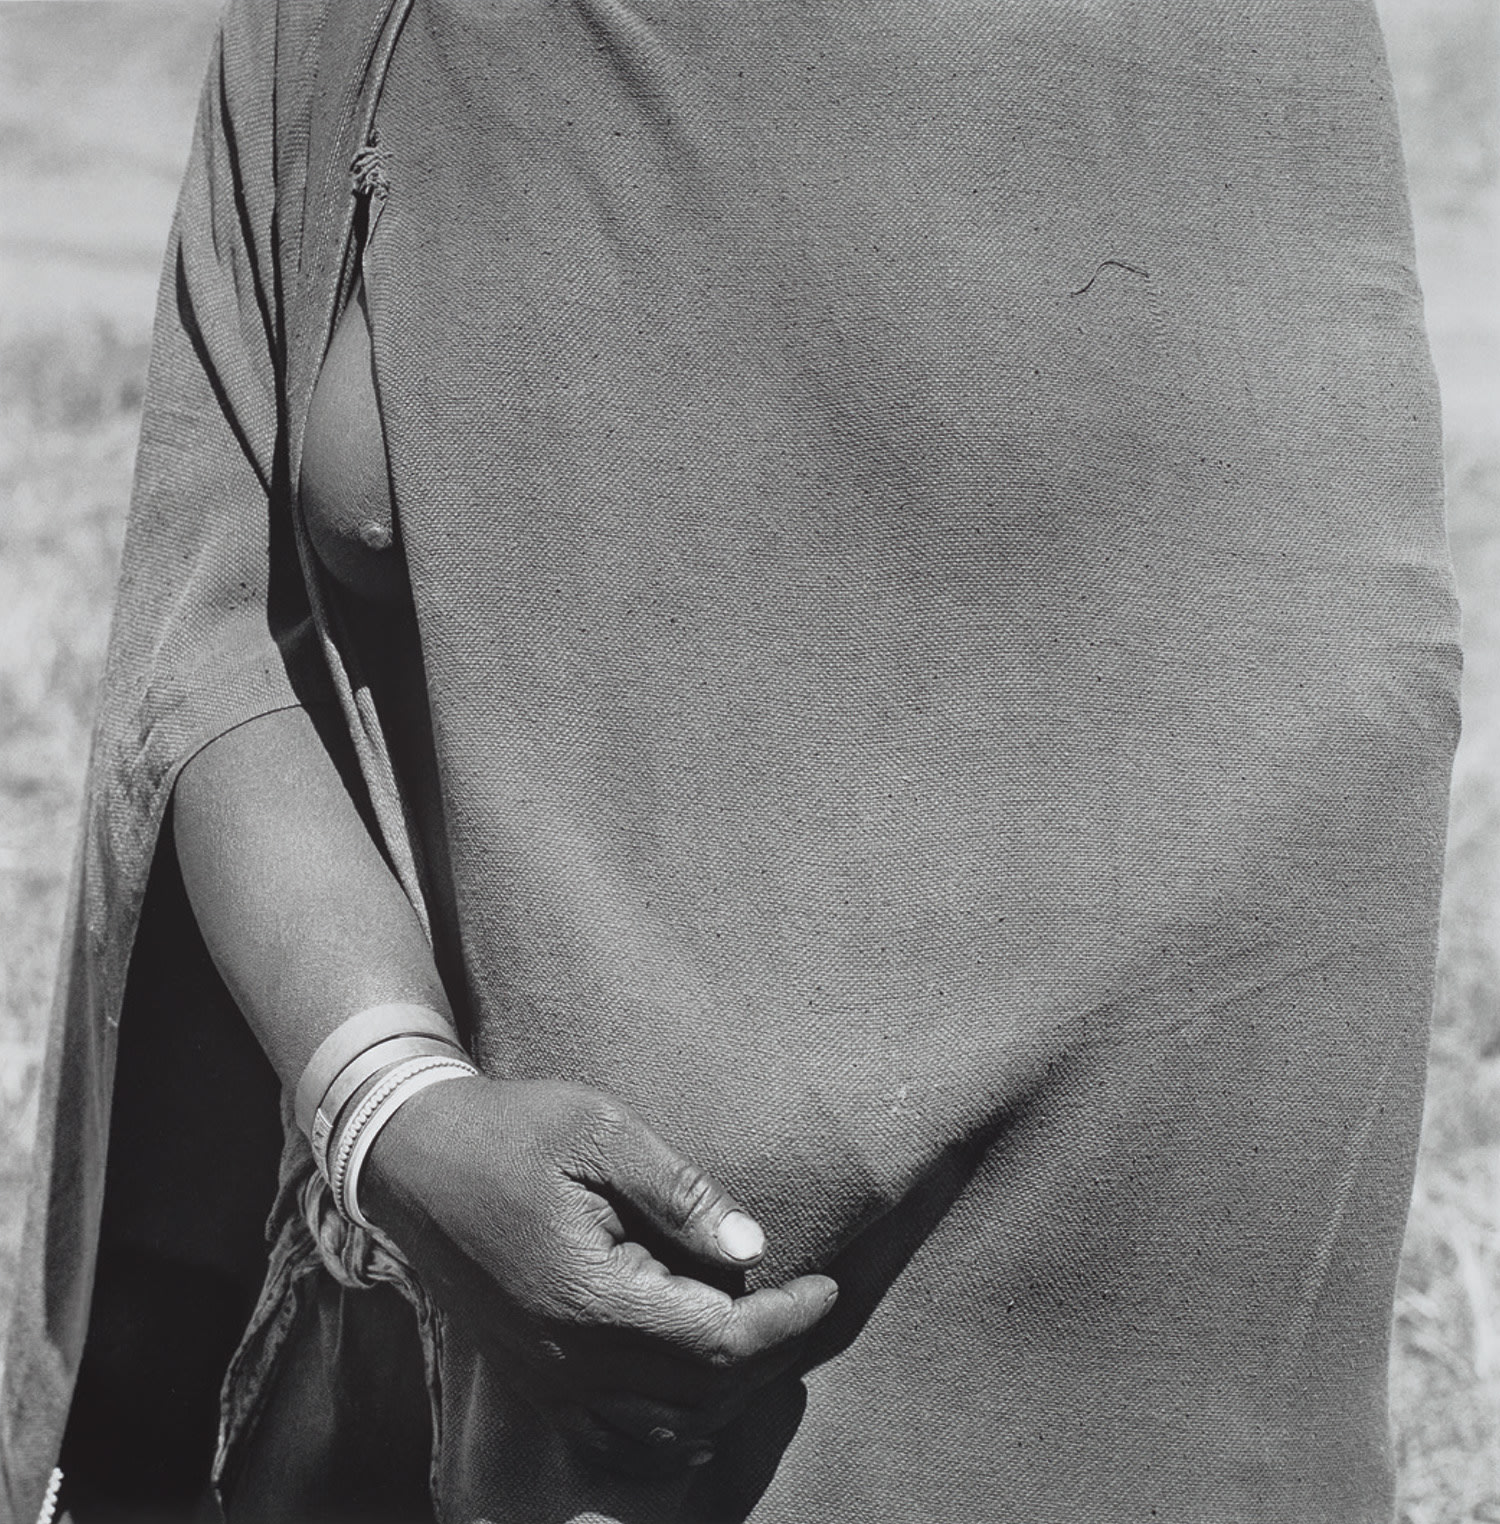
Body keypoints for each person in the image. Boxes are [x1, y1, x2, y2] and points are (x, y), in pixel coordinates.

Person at [0, 0, 1462, 1519]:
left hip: (1126, 1347)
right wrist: (393, 1108)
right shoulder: (371, 30)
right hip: (546, 1371)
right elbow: (217, 616)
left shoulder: (1215, 55)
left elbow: (1321, 722)